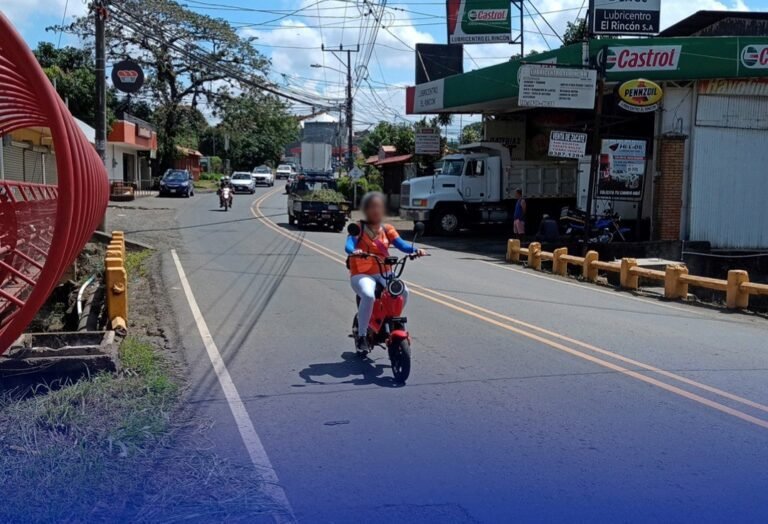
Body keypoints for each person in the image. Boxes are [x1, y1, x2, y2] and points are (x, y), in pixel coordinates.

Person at [345, 192, 426, 352]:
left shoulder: (387, 229)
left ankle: (392, 320)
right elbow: (348, 245)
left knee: (403, 292)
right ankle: (362, 336)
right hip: (362, 272)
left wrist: (416, 250)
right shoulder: (359, 228)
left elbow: (402, 245)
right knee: (368, 295)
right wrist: (355, 251)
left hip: (383, 270)